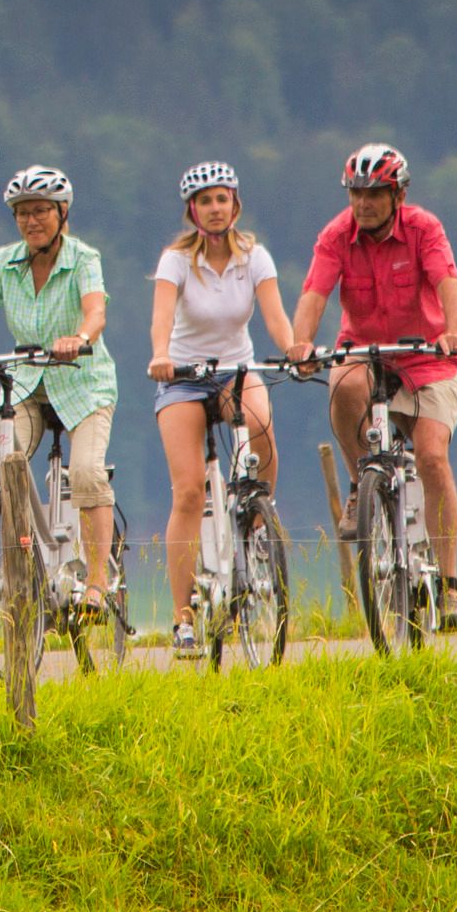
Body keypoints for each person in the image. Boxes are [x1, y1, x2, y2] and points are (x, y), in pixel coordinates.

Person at [286, 142, 457, 630]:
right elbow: (314, 292)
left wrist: (453, 332)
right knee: (342, 381)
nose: (363, 203)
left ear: (398, 194)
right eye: (356, 193)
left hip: (426, 359)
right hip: (366, 351)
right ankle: (360, 483)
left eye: (375, 193)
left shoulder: (424, 229)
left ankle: (450, 585)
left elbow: (449, 284)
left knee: (432, 456)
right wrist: (301, 342)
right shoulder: (336, 236)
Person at [0, 165, 119, 599]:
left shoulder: (84, 258)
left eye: (41, 211)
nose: (31, 220)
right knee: (3, 461)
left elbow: (96, 312)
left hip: (83, 382)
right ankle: (24, 562)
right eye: (22, 213)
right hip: (27, 383)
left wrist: (80, 338)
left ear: (62, 212)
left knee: (85, 473)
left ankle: (98, 583)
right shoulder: (3, 261)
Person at [145, 161, 292, 654]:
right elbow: (161, 319)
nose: (214, 209)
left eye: (222, 199)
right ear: (192, 210)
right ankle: (182, 616)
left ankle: (256, 518)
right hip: (184, 377)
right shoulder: (176, 260)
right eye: (204, 201)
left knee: (260, 423)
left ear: (235, 204)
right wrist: (161, 356)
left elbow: (276, 319)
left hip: (236, 369)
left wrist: (294, 349)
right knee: (188, 492)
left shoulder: (256, 258)